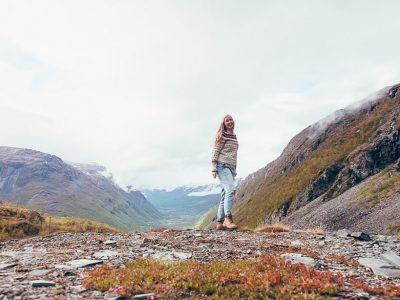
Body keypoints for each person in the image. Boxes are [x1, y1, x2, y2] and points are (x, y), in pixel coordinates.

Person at [211, 114, 239, 230]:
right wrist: (214, 167)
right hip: (222, 166)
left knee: (224, 194)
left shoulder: (233, 136)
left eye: (230, 120)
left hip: (231, 168)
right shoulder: (222, 135)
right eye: (227, 121)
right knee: (230, 190)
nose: (229, 122)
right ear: (224, 123)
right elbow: (215, 151)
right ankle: (228, 218)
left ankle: (219, 223)